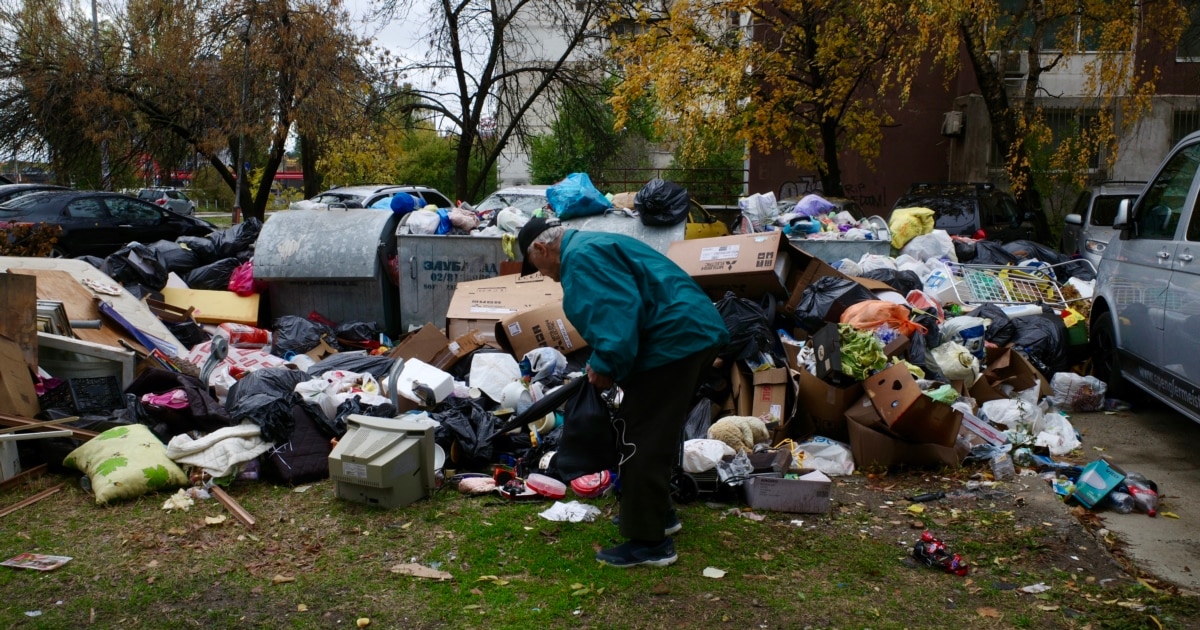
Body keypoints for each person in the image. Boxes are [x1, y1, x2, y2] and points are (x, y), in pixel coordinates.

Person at [518, 217, 729, 568]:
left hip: (673, 343)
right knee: (655, 432)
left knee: (641, 436)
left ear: (541, 248)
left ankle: (649, 542)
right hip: (687, 335)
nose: (542, 274)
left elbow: (615, 311)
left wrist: (605, 362)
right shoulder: (592, 245)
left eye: (535, 267)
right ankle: (657, 514)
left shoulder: (581, 260)